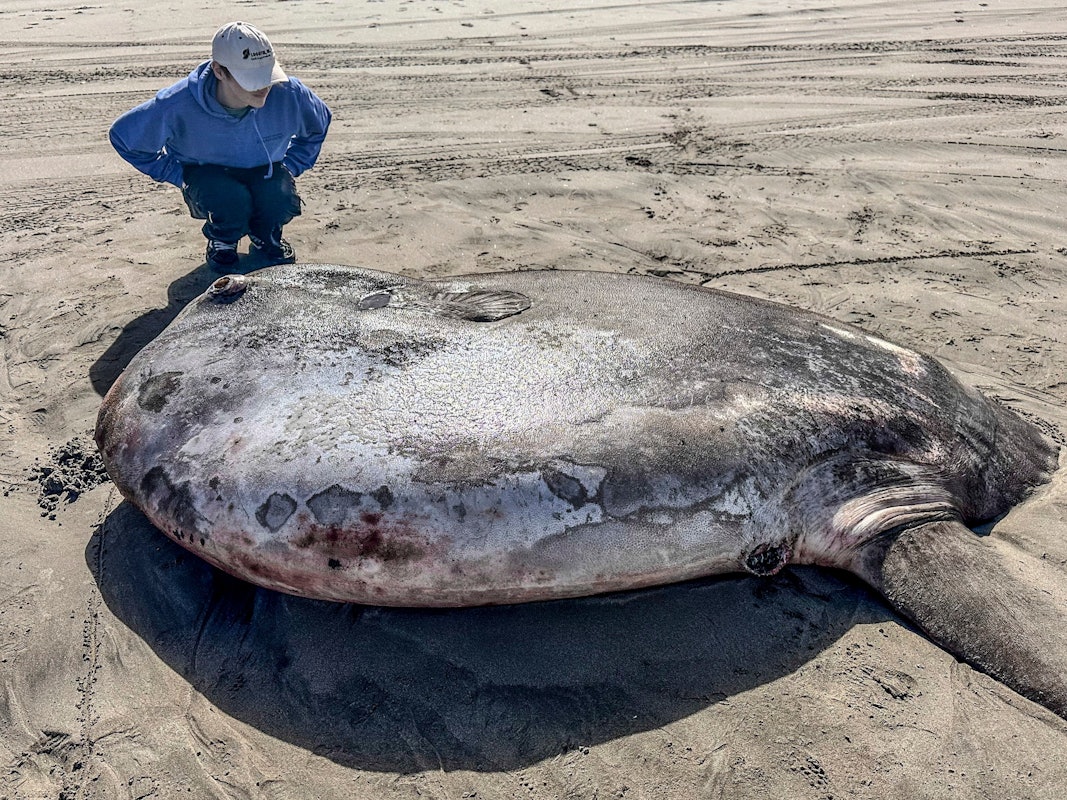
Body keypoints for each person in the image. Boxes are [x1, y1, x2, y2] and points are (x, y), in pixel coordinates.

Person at [109, 21, 332, 269]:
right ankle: (222, 241)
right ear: (219, 71)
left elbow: (318, 124)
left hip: (265, 169)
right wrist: (177, 175)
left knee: (279, 198)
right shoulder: (176, 104)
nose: (263, 87)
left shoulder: (290, 94)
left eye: (267, 74)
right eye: (250, 78)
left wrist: (292, 166)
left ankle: (265, 236)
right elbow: (124, 138)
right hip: (207, 175)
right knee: (229, 201)